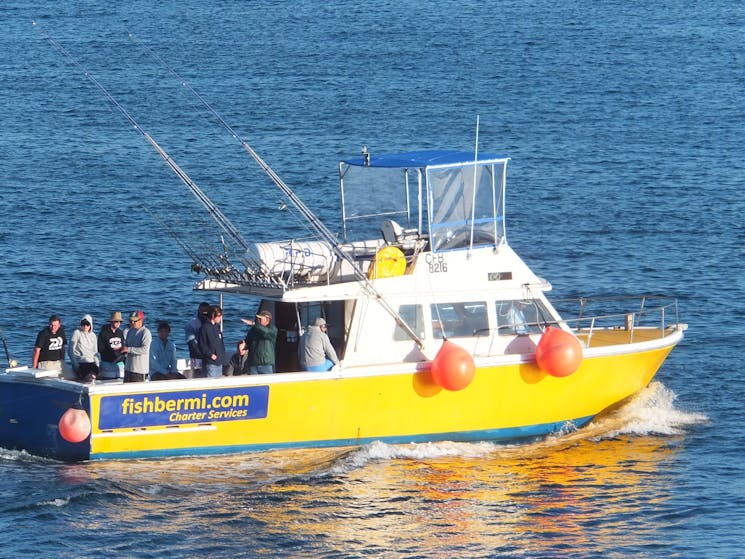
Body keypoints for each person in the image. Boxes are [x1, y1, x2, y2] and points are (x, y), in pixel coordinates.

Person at [243, 309, 277, 374]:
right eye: (258, 318)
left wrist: (254, 324)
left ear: (267, 319)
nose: (258, 320)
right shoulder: (253, 329)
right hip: (253, 364)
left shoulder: (272, 329)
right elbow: (248, 342)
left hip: (266, 365)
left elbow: (266, 332)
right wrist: (244, 345)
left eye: (260, 318)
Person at [68, 314, 100, 383]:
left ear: (90, 325)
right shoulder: (77, 333)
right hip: (81, 363)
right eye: (83, 324)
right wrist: (76, 365)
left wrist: (97, 364)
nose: (85, 326)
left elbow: (95, 352)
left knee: (94, 374)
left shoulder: (93, 335)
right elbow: (71, 351)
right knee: (88, 376)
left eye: (87, 324)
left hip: (91, 363)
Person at [197, 305, 227, 378]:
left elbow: (221, 342)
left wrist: (222, 354)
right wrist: (210, 355)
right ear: (213, 315)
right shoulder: (205, 327)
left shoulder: (217, 327)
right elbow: (201, 345)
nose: (220, 318)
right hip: (210, 362)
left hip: (219, 361)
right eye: (219, 316)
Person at [123, 310, 152, 383]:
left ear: (141, 320)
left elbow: (145, 349)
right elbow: (127, 345)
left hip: (139, 371)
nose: (132, 323)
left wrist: (128, 349)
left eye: (134, 321)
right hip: (128, 369)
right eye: (131, 320)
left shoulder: (145, 332)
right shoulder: (130, 331)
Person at [185, 302, 211, 378]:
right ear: (198, 311)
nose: (204, 315)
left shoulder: (211, 323)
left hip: (209, 355)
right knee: (198, 375)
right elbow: (191, 343)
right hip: (197, 355)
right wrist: (201, 354)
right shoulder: (192, 324)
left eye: (206, 313)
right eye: (202, 312)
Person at [98, 311, 126, 379]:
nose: (118, 323)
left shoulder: (120, 332)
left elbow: (122, 346)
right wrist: (111, 352)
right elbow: (100, 349)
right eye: (116, 321)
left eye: (120, 321)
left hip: (120, 363)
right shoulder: (103, 333)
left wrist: (122, 351)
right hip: (107, 363)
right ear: (111, 322)